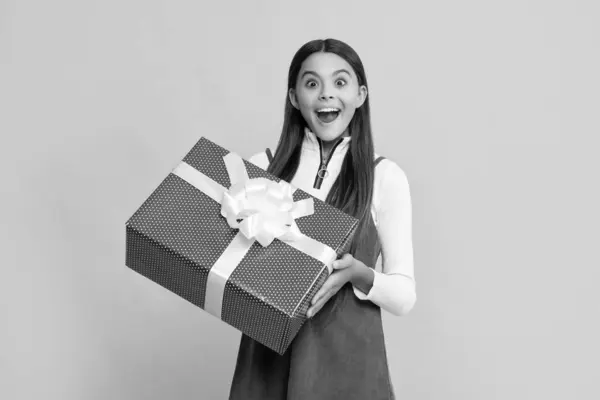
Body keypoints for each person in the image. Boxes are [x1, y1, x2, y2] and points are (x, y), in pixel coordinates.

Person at [229, 38, 416, 400]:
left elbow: (404, 296)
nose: (326, 94)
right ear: (294, 97)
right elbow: (233, 267)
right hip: (267, 363)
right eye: (312, 83)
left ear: (361, 95)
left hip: (348, 366)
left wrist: (359, 274)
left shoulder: (385, 177)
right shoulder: (258, 169)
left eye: (340, 83)